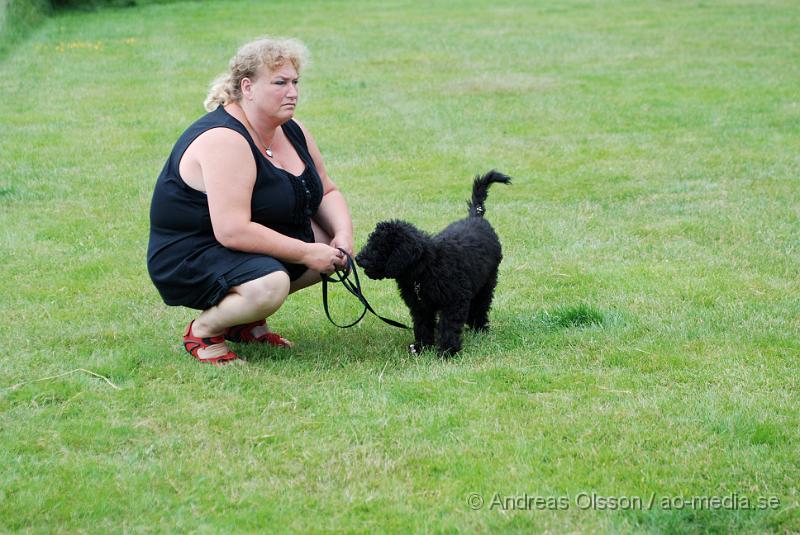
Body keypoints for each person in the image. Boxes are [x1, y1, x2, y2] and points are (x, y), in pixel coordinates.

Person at [147, 36, 353, 365]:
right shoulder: (225, 139)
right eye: (280, 83)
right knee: (270, 285)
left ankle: (243, 322)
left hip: (235, 242)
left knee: (328, 243)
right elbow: (231, 230)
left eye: (295, 82)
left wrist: (342, 237)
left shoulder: (293, 129)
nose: (293, 92)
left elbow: (327, 191)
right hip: (191, 252)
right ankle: (204, 330)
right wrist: (306, 251)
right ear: (248, 87)